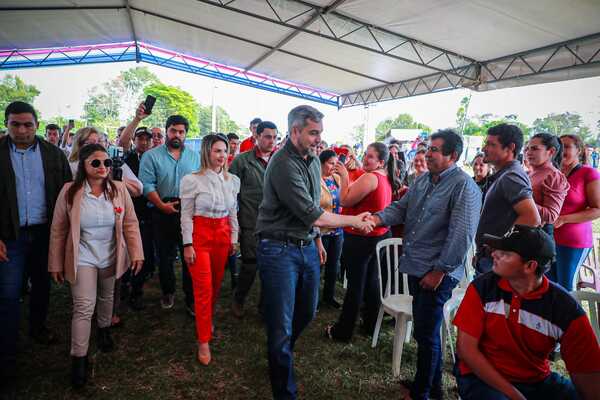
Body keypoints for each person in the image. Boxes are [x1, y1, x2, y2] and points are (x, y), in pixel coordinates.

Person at [255, 105, 375, 400]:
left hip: (305, 245)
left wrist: (317, 241)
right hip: (278, 249)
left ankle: (280, 353)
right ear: (295, 131)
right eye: (313, 133)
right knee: (281, 324)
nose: (319, 139)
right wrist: (353, 220)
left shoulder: (310, 159)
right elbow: (315, 214)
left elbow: (313, 210)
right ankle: (284, 387)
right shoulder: (283, 164)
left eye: (320, 133)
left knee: (307, 311)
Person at [368, 130, 482, 400]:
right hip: (416, 266)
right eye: (428, 148)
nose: (428, 153)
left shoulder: (464, 187)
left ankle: (422, 393)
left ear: (452, 156)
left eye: (435, 150)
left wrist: (439, 271)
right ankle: (432, 388)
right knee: (423, 331)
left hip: (437, 272)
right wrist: (375, 219)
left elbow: (461, 236)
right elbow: (400, 209)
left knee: (427, 334)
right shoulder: (422, 181)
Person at [453, 225, 600, 400]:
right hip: (482, 377)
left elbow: (588, 375)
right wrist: (514, 395)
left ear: (530, 266)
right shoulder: (483, 288)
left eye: (506, 254)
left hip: (535, 380)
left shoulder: (564, 309)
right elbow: (466, 350)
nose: (494, 254)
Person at [47, 143, 143, 388]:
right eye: (96, 163)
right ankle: (79, 361)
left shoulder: (119, 189)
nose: (103, 167)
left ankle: (103, 331)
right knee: (83, 306)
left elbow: (131, 224)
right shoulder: (70, 191)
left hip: (111, 255)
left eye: (107, 163)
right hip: (83, 257)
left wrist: (136, 253)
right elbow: (59, 229)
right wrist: (56, 262)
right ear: (84, 165)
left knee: (107, 296)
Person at [0, 101, 72, 397]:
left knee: (43, 283)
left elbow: (68, 193)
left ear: (37, 125)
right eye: (15, 124)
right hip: (10, 235)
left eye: (27, 124)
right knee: (8, 293)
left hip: (46, 233)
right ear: (6, 124)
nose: (21, 130)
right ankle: (7, 356)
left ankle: (38, 328)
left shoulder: (54, 154)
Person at [324, 142, 399, 341]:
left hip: (361, 237)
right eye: (365, 154)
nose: (366, 158)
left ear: (381, 161)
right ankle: (370, 324)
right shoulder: (385, 177)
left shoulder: (370, 177)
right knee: (372, 282)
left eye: (371, 157)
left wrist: (345, 178)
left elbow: (345, 201)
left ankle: (343, 331)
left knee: (356, 286)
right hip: (378, 236)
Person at [180, 134, 240, 365]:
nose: (222, 155)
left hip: (223, 235)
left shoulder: (232, 180)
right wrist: (187, 244)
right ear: (207, 152)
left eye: (224, 151)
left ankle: (206, 319)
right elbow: (185, 215)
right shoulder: (191, 180)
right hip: (201, 236)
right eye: (217, 151)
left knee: (215, 285)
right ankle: (203, 340)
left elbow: (233, 211)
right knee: (203, 288)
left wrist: (234, 238)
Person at [139, 115, 200, 313]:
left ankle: (191, 298)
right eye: (173, 130)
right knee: (164, 257)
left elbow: (201, 183)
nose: (177, 135)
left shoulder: (194, 156)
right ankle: (168, 291)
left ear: (186, 134)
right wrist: (161, 205)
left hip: (188, 210)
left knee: (189, 256)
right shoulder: (151, 156)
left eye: (181, 132)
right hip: (161, 209)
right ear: (167, 131)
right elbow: (147, 185)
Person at [475, 124, 540, 275]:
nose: (485, 148)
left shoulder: (511, 177)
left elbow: (532, 218)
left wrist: (498, 245)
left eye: (491, 144)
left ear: (510, 148)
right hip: (490, 258)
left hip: (497, 261)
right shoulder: (506, 175)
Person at [230, 121, 277, 318]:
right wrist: (234, 223)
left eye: (275, 137)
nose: (272, 141)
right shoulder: (242, 161)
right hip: (251, 221)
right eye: (267, 136)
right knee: (250, 264)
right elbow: (230, 193)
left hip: (276, 224)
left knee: (271, 266)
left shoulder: (280, 161)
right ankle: (239, 299)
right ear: (256, 136)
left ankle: (264, 307)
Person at [551, 134, 600, 291]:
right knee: (548, 287)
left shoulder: (588, 173)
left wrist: (564, 219)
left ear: (579, 150)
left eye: (566, 146)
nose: (561, 150)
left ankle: (574, 317)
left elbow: (597, 209)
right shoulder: (554, 172)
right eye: (559, 146)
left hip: (573, 242)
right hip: (548, 239)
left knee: (566, 289)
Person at [122, 127, 155, 310]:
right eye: (140, 138)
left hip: (149, 214)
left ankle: (137, 291)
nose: (144, 142)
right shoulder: (127, 158)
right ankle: (126, 285)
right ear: (134, 140)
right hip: (128, 213)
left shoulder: (155, 158)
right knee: (126, 253)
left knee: (144, 255)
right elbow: (123, 142)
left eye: (147, 139)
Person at [68, 127, 142, 198]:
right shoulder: (72, 166)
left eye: (99, 142)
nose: (95, 147)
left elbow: (138, 190)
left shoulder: (114, 162)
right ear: (78, 145)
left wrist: (117, 177)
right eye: (89, 143)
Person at [525, 133, 569, 248]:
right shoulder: (529, 173)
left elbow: (551, 215)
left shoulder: (554, 176)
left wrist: (521, 201)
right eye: (527, 149)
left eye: (534, 149)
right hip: (522, 234)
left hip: (537, 239)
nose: (528, 153)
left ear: (551, 151)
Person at [318, 149, 344, 308]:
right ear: (322, 163)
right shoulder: (316, 180)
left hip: (337, 231)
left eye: (336, 163)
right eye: (330, 163)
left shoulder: (336, 179)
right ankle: (313, 299)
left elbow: (346, 197)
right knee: (319, 266)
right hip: (322, 231)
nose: (334, 166)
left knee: (333, 267)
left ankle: (329, 296)